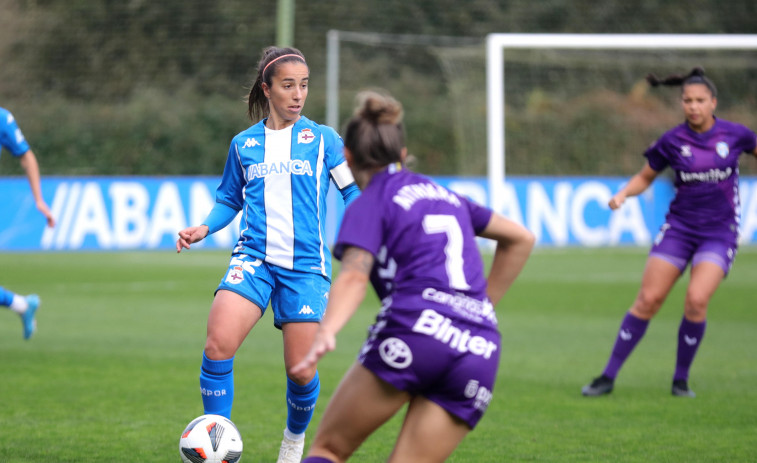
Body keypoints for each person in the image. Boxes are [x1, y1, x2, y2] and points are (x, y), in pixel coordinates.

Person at [291, 90, 535, 463]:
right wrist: (480, 306)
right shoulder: (446, 195)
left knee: (328, 450)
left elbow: (355, 277)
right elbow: (521, 238)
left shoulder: (369, 201)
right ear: (402, 155)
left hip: (417, 332)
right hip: (479, 348)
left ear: (349, 157)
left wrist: (327, 331)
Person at [175, 47, 360, 463]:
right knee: (218, 343)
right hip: (253, 258)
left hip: (306, 267)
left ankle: (293, 442)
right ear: (268, 89)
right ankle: (217, 445)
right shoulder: (244, 145)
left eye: (304, 85)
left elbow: (352, 192)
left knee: (301, 370)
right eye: (288, 85)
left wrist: (364, 239)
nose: (298, 95)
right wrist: (204, 226)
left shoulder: (325, 140)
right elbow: (228, 198)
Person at [581, 67, 757, 398]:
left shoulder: (736, 135)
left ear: (713, 102)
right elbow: (645, 176)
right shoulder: (673, 140)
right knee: (648, 299)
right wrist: (623, 194)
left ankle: (680, 380)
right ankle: (607, 376)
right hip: (679, 229)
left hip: (719, 233)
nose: (693, 106)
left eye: (700, 100)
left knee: (696, 299)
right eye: (687, 100)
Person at [1, 106, 55, 339]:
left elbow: (26, 155)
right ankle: (22, 305)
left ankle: (21, 305)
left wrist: (39, 200)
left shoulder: (2, 119)